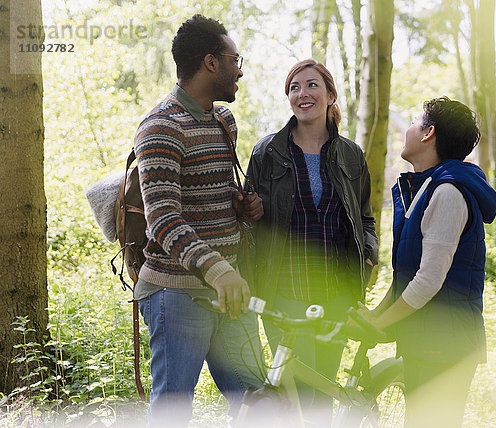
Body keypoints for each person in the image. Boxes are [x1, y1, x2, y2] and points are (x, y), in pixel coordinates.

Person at [133, 14, 264, 427]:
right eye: (234, 59)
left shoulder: (223, 121)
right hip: (177, 294)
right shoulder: (159, 129)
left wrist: (242, 208)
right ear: (211, 62)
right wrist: (220, 270)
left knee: (260, 401)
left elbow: (212, 193)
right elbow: (164, 220)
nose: (239, 69)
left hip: (230, 290)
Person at [245, 59, 378, 421]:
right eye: (294, 87)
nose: (302, 93)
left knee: (321, 393)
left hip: (335, 296)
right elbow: (250, 225)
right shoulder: (266, 153)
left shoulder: (351, 154)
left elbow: (365, 218)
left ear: (330, 95)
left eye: (312, 85)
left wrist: (367, 255)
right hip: (283, 293)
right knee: (294, 398)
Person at [360, 96, 496, 427]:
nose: (406, 129)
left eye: (413, 121)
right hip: (428, 340)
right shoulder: (425, 188)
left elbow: (428, 281)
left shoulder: (448, 192)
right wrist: (372, 317)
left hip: (445, 344)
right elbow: (407, 277)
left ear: (428, 134)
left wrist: (380, 324)